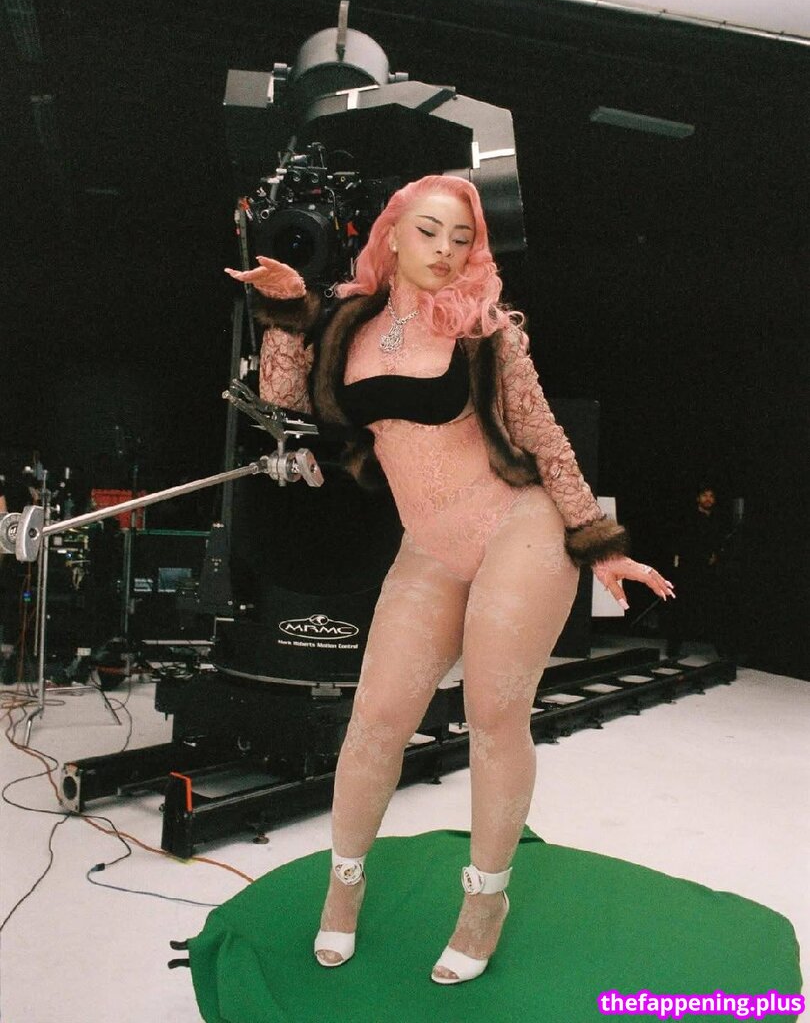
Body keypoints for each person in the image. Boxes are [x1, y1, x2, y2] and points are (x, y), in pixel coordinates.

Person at [225, 175, 674, 986]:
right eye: (428, 232)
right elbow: (282, 397)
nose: (444, 250)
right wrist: (285, 309)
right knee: (374, 722)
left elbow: (542, 434)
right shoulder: (348, 325)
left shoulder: (484, 330)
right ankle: (344, 886)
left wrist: (597, 541)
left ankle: (485, 901)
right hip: (430, 546)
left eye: (461, 238)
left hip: (518, 526)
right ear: (392, 234)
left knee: (494, 715)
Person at [665, 484, 727, 660]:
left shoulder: (716, 521)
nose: (708, 499)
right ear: (698, 498)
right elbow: (685, 542)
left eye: (711, 496)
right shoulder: (689, 519)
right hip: (689, 569)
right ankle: (673, 650)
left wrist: (716, 556)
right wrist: (702, 556)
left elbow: (719, 543)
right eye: (705, 495)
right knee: (682, 609)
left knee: (713, 609)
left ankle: (722, 652)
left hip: (708, 572)